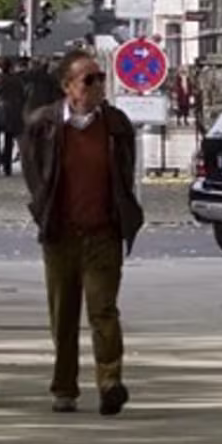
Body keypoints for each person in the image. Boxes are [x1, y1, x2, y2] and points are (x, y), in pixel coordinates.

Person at [18, 48, 144, 415]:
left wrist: (123, 215)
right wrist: (43, 208)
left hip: (103, 234)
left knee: (103, 310)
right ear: (68, 87)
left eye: (101, 78)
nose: (98, 85)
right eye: (89, 79)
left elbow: (123, 173)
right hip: (61, 234)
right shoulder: (43, 124)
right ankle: (64, 387)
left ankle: (110, 382)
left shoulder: (116, 125)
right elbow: (34, 171)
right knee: (64, 314)